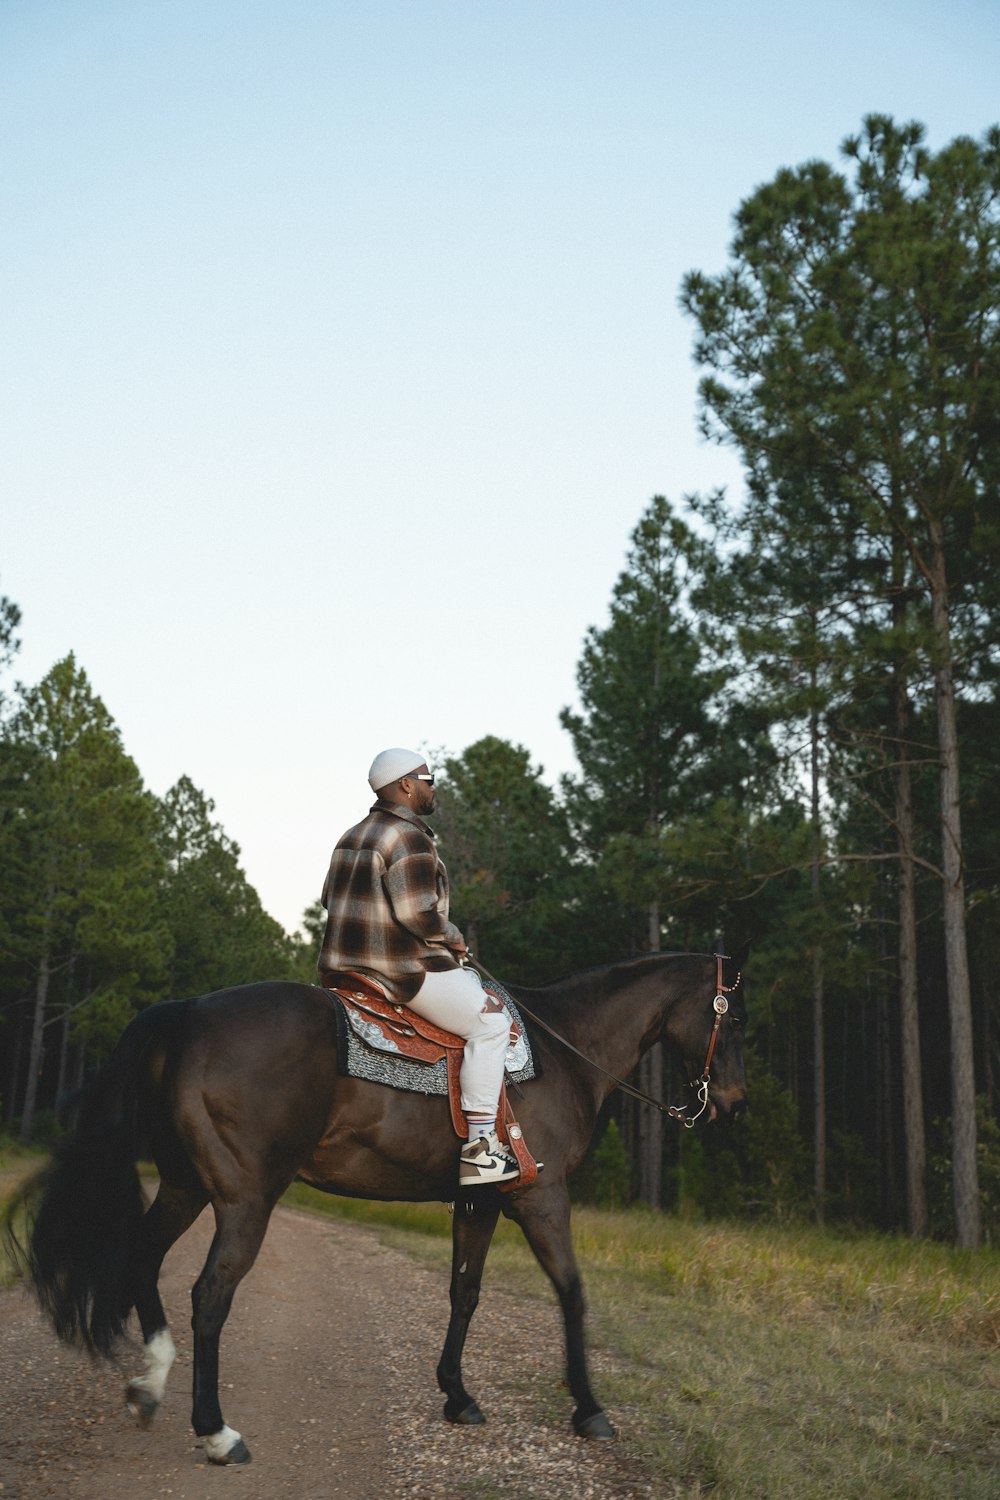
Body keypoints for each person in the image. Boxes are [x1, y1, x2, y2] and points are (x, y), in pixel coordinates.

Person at [318, 747, 520, 1186]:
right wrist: (453, 936)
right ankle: (482, 1148)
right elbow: (417, 915)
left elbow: (328, 902)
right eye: (429, 779)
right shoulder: (409, 837)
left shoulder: (351, 835)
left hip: (344, 968)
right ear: (406, 785)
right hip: (399, 969)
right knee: (490, 1024)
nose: (433, 788)